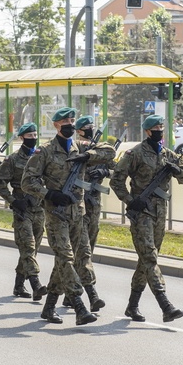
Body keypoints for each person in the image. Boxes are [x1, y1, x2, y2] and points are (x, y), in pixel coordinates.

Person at [22, 107, 115, 325]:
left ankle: (49, 308)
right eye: (65, 121)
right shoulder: (44, 151)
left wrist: (88, 155)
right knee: (65, 257)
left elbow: (110, 152)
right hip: (56, 213)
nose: (70, 124)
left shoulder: (80, 147)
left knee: (80, 256)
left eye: (72, 121)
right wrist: (49, 193)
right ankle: (79, 306)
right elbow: (27, 181)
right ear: (55, 125)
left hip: (78, 213)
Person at [110, 115, 183, 323]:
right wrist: (130, 200)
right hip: (142, 211)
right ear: (147, 131)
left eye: (162, 127)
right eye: (155, 128)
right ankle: (165, 304)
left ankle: (132, 306)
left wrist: (177, 170)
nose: (160, 131)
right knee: (149, 257)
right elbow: (116, 179)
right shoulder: (134, 153)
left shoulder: (167, 154)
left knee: (146, 260)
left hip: (160, 212)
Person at [0, 122, 48, 300]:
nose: (33, 138)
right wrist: (13, 201)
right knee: (27, 246)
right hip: (22, 209)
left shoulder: (42, 157)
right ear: (21, 138)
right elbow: (0, 185)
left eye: (35, 135)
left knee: (32, 250)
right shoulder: (13, 159)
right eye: (29, 136)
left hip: (39, 208)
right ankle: (35, 283)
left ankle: (18, 285)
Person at [74, 115, 111, 311]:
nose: (89, 129)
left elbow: (116, 166)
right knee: (83, 250)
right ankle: (88, 293)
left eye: (91, 127)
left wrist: (105, 172)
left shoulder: (100, 148)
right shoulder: (77, 148)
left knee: (89, 248)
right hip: (79, 204)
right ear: (78, 130)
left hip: (94, 203)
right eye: (86, 127)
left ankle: (71, 289)